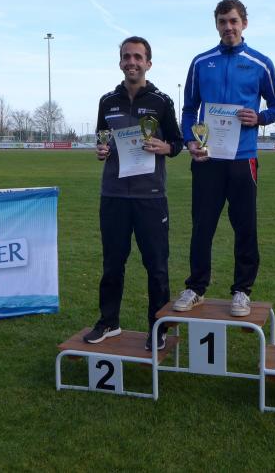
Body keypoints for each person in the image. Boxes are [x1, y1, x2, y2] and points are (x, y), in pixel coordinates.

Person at [173, 0, 275, 317]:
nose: (228, 27)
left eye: (233, 21)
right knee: (202, 226)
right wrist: (189, 140)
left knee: (245, 227)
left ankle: (242, 291)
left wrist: (259, 118)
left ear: (244, 23)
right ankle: (196, 287)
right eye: (222, 21)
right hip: (207, 158)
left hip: (243, 158)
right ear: (216, 25)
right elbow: (189, 110)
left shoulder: (260, 63)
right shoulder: (200, 62)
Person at [83, 36, 183, 351]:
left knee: (157, 266)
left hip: (150, 196)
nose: (132, 62)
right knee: (112, 264)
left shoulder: (162, 101)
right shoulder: (107, 101)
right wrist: (101, 150)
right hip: (113, 194)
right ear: (120, 62)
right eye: (127, 57)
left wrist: (165, 147)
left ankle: (158, 326)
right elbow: (102, 137)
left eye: (138, 57)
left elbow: (178, 143)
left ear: (148, 63)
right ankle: (109, 321)